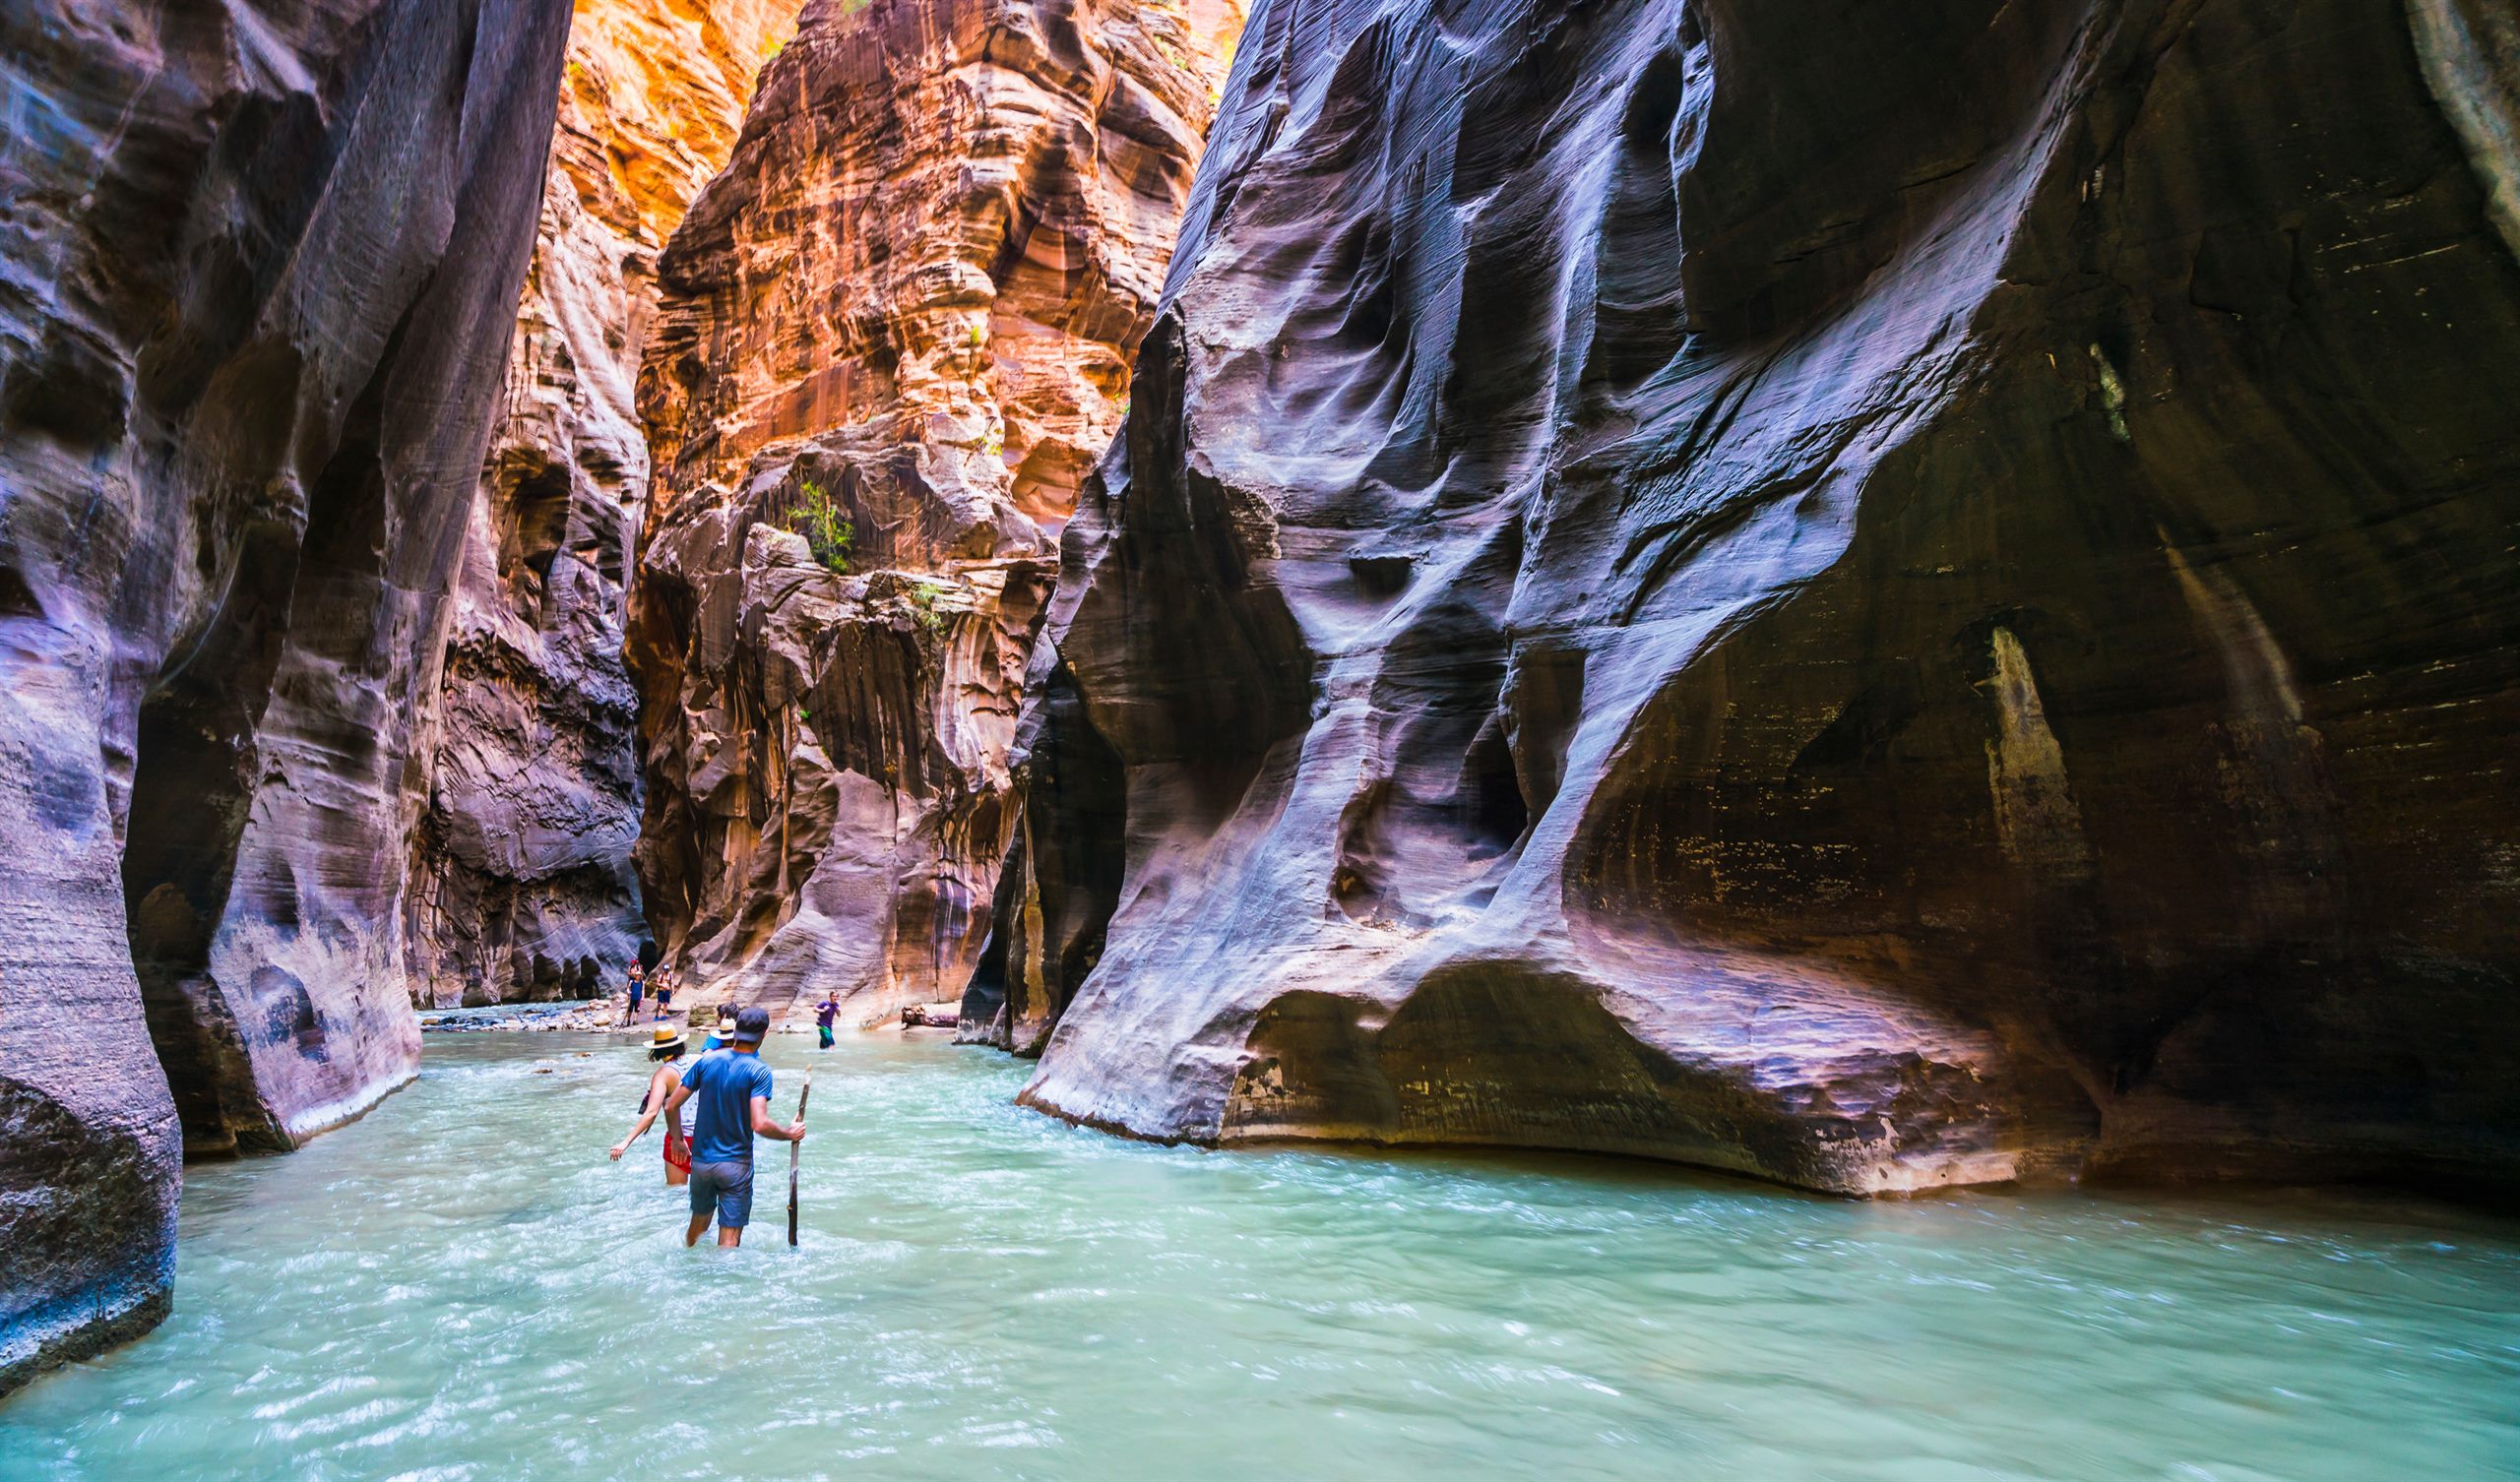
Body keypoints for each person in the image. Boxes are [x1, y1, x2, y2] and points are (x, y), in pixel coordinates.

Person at [649, 1007, 802, 1248]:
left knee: (697, 1227)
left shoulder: (707, 1060)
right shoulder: (759, 1071)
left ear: (736, 1031)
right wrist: (789, 1132)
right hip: (735, 1166)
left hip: (700, 1164)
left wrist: (677, 1141)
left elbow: (670, 1106)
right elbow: (759, 1124)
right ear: (764, 1034)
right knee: (729, 1240)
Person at [607, 1027, 692, 1186]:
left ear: (656, 1050)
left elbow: (651, 1112)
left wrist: (625, 1142)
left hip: (679, 1139)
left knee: (676, 1193)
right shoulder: (699, 1060)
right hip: (707, 1137)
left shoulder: (663, 1075)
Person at [624, 960, 647, 1025]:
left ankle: (635, 1020)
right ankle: (628, 1020)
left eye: (639, 975)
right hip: (632, 997)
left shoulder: (642, 982)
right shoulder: (632, 982)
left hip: (638, 997)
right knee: (630, 1009)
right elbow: (628, 988)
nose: (638, 976)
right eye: (637, 975)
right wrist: (628, 991)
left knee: (637, 1009)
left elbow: (642, 990)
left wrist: (642, 997)